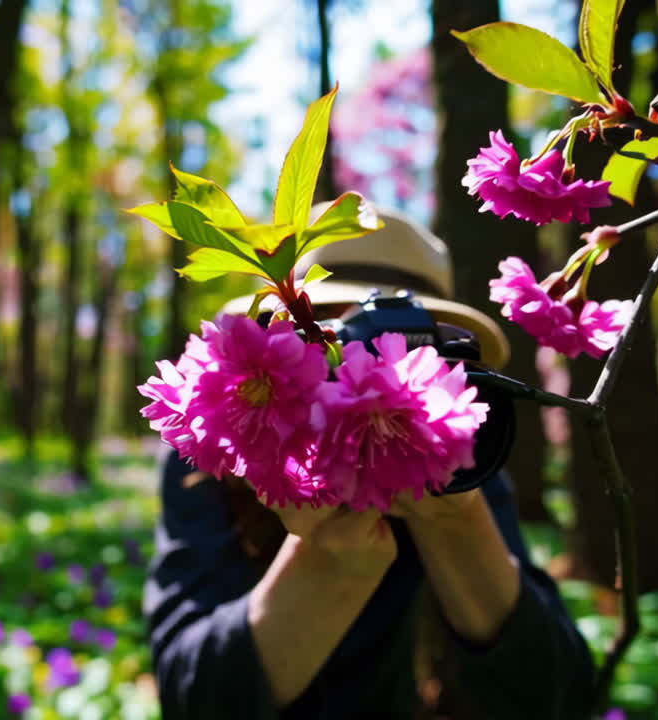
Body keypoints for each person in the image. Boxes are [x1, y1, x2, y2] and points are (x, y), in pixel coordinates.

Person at [143, 206, 594, 719]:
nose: (377, 369)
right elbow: (190, 699)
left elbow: (558, 697)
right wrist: (325, 566)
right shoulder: (212, 450)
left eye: (407, 349)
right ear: (278, 345)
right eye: (333, 343)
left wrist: (457, 520)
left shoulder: (458, 448)